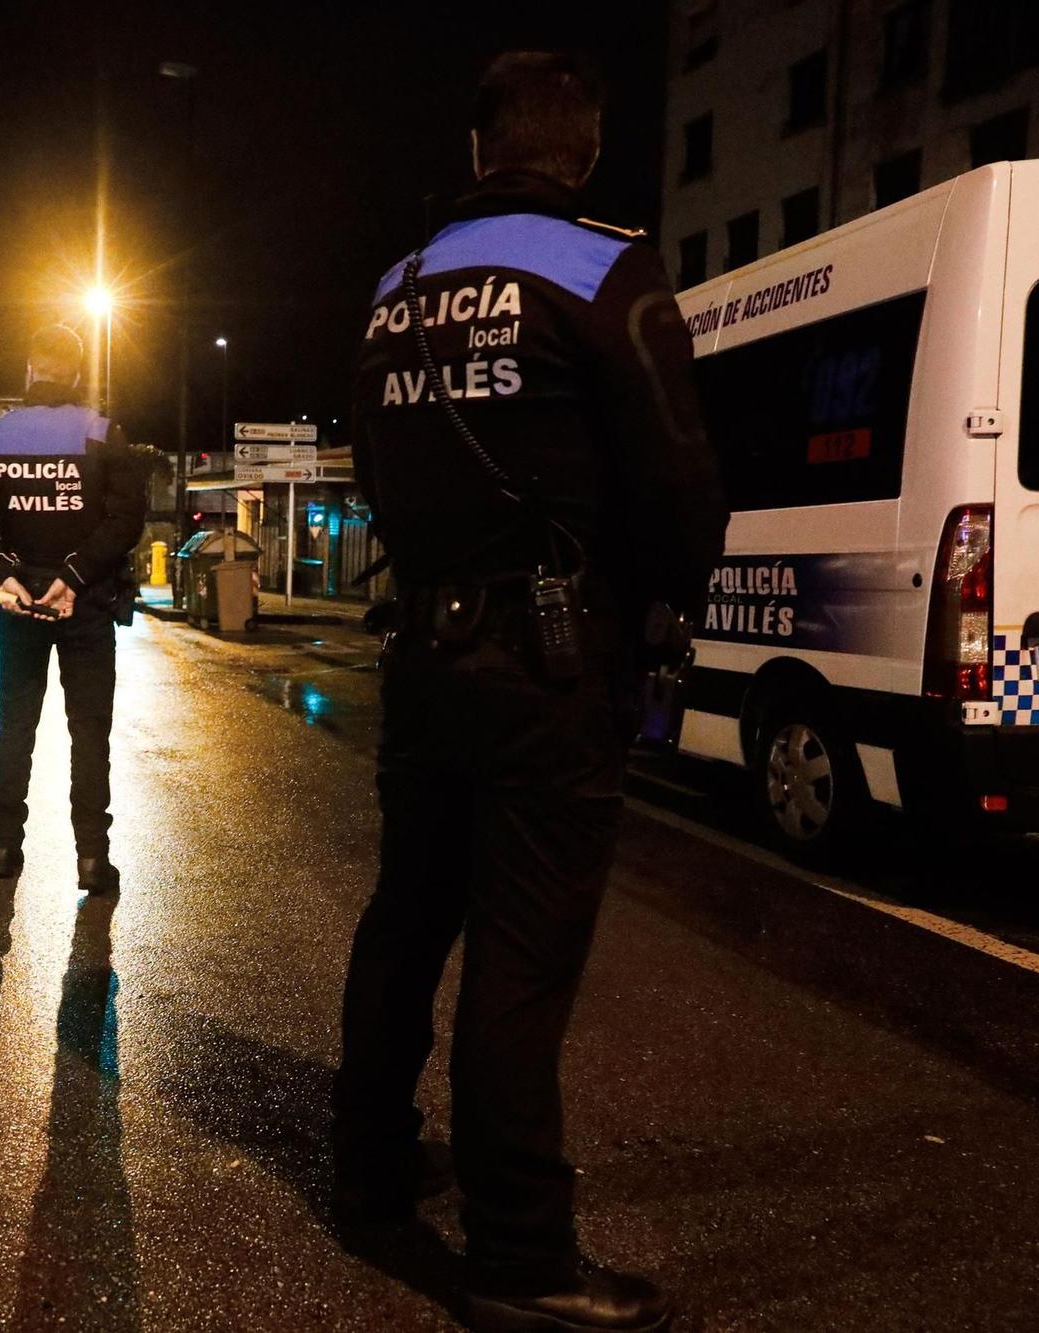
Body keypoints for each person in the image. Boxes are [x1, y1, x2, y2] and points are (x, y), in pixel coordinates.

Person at [332, 52, 729, 1332]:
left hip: (423, 658)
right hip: (550, 668)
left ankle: (371, 1167)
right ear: (587, 149)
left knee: (406, 920)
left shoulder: (393, 291)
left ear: (475, 149)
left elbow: (373, 477)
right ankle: (516, 1253)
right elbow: (678, 482)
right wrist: (654, 612)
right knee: (519, 955)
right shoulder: (604, 272)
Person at [0, 322, 150, 894]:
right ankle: (92, 858)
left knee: (15, 725)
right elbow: (126, 519)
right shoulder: (104, 434)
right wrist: (74, 577)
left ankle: (4, 851)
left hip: (18, 605)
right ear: (79, 374)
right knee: (89, 733)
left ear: (31, 371)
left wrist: (4, 576)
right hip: (83, 605)